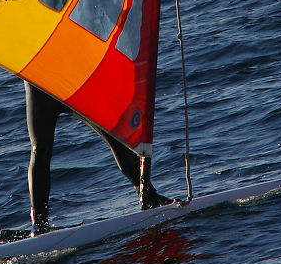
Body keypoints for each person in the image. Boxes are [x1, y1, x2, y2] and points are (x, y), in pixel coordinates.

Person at [25, 80, 172, 230]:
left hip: (73, 83)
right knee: (40, 149)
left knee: (115, 136)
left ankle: (148, 196)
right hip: (39, 85)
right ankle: (39, 222)